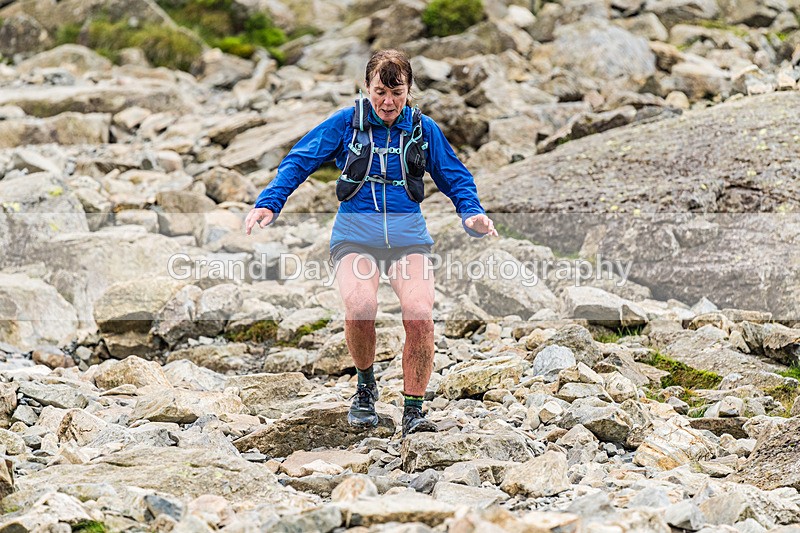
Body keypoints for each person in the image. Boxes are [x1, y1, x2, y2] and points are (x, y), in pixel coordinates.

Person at [245, 49, 497, 437]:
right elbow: (299, 160)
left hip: (407, 239)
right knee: (361, 306)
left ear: (409, 90)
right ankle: (365, 386)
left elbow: (456, 177)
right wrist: (269, 203)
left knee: (419, 313)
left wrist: (472, 214)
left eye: (397, 93)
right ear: (366, 88)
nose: (388, 102)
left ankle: (413, 409)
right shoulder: (347, 123)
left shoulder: (422, 129)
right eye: (380, 91)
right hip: (354, 237)